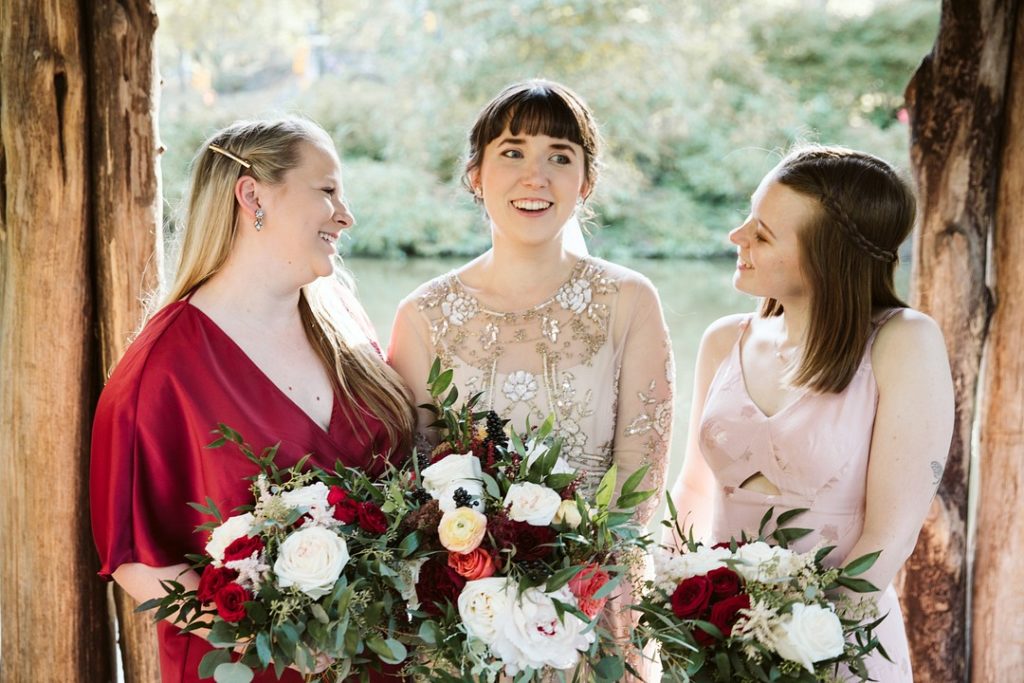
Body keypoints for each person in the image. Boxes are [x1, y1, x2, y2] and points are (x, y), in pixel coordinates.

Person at [90, 118, 414, 682]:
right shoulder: (161, 372)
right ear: (252, 194)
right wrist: (272, 639)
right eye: (328, 191)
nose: (346, 215)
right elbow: (138, 562)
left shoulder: (347, 329)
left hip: (379, 663)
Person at [387, 80, 674, 677]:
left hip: (591, 605)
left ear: (585, 182)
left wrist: (582, 589)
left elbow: (640, 475)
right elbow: (415, 476)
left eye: (559, 157)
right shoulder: (423, 314)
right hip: (463, 611)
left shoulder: (627, 300)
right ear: (476, 174)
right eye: (512, 152)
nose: (535, 177)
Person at [668, 145, 954, 681]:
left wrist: (796, 651)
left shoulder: (903, 341)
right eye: (747, 218)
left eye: (764, 232)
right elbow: (694, 492)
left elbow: (890, 537)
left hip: (838, 647)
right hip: (715, 641)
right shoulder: (723, 339)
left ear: (827, 253)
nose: (738, 237)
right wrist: (667, 606)